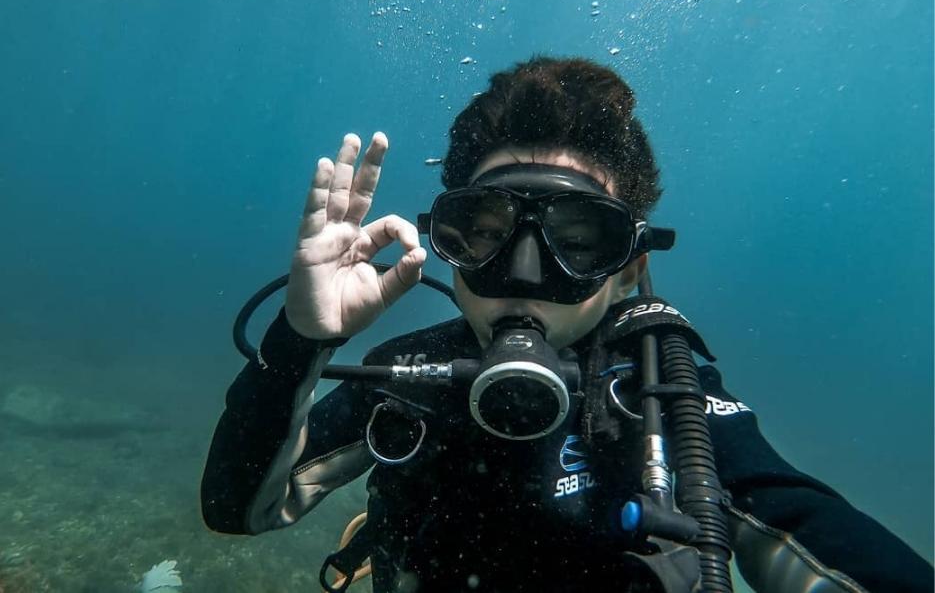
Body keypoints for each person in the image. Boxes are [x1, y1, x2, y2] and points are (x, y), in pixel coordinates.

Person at [201, 57, 933, 592]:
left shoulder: (656, 392)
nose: (523, 274)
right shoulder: (408, 377)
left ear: (628, 269)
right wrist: (302, 337)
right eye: (482, 232)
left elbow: (799, 519)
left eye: (577, 242)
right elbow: (239, 511)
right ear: (448, 249)